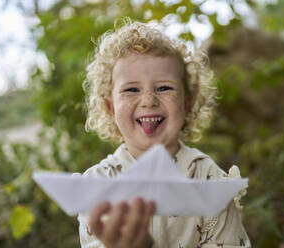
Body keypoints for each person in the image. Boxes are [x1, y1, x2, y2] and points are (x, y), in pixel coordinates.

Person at [79, 19, 250, 248]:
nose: (149, 100)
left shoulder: (209, 180)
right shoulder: (97, 185)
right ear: (110, 108)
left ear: (187, 102)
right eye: (131, 89)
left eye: (164, 88)